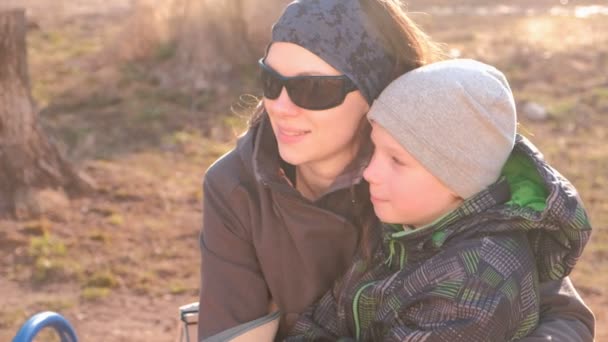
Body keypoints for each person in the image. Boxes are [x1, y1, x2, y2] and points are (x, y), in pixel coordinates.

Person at [198, 0, 595, 340]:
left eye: (313, 89)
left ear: (374, 91)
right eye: (270, 80)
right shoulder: (235, 187)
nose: (281, 106)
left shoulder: (435, 155)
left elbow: (563, 316)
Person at [285, 59, 592, 341]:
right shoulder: (401, 228)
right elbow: (321, 321)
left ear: (459, 180)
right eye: (375, 150)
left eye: (397, 160)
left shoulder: (477, 280)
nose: (370, 172)